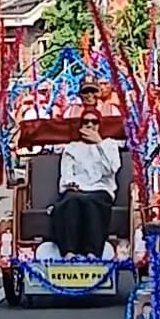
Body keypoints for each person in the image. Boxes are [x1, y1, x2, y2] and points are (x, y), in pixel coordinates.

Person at [51, 109, 122, 258]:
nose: (90, 125)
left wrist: (99, 144)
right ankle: (69, 253)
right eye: (86, 122)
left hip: (100, 189)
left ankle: (93, 253)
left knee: (92, 201)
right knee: (70, 200)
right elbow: (66, 174)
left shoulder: (110, 145)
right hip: (77, 189)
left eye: (94, 122)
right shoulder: (72, 147)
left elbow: (111, 169)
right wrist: (71, 184)